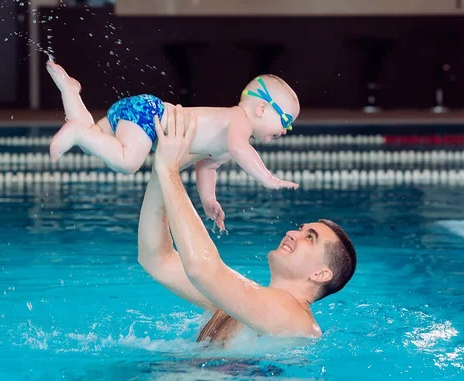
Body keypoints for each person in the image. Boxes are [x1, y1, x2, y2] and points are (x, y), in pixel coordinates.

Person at [138, 105, 357, 345]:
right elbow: (157, 259)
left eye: (310, 237)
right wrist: (166, 167)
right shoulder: (247, 303)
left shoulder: (294, 318)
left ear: (321, 274)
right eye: (301, 229)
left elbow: (202, 269)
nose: (293, 233)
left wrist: (170, 170)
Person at [46, 60, 300, 231]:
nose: (287, 129)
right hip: (149, 114)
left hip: (140, 115)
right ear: (262, 108)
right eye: (286, 120)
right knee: (127, 162)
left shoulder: (229, 138)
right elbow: (239, 148)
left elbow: (206, 167)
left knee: (94, 140)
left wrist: (208, 200)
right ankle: (77, 131)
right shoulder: (238, 120)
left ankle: (71, 94)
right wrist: (267, 178)